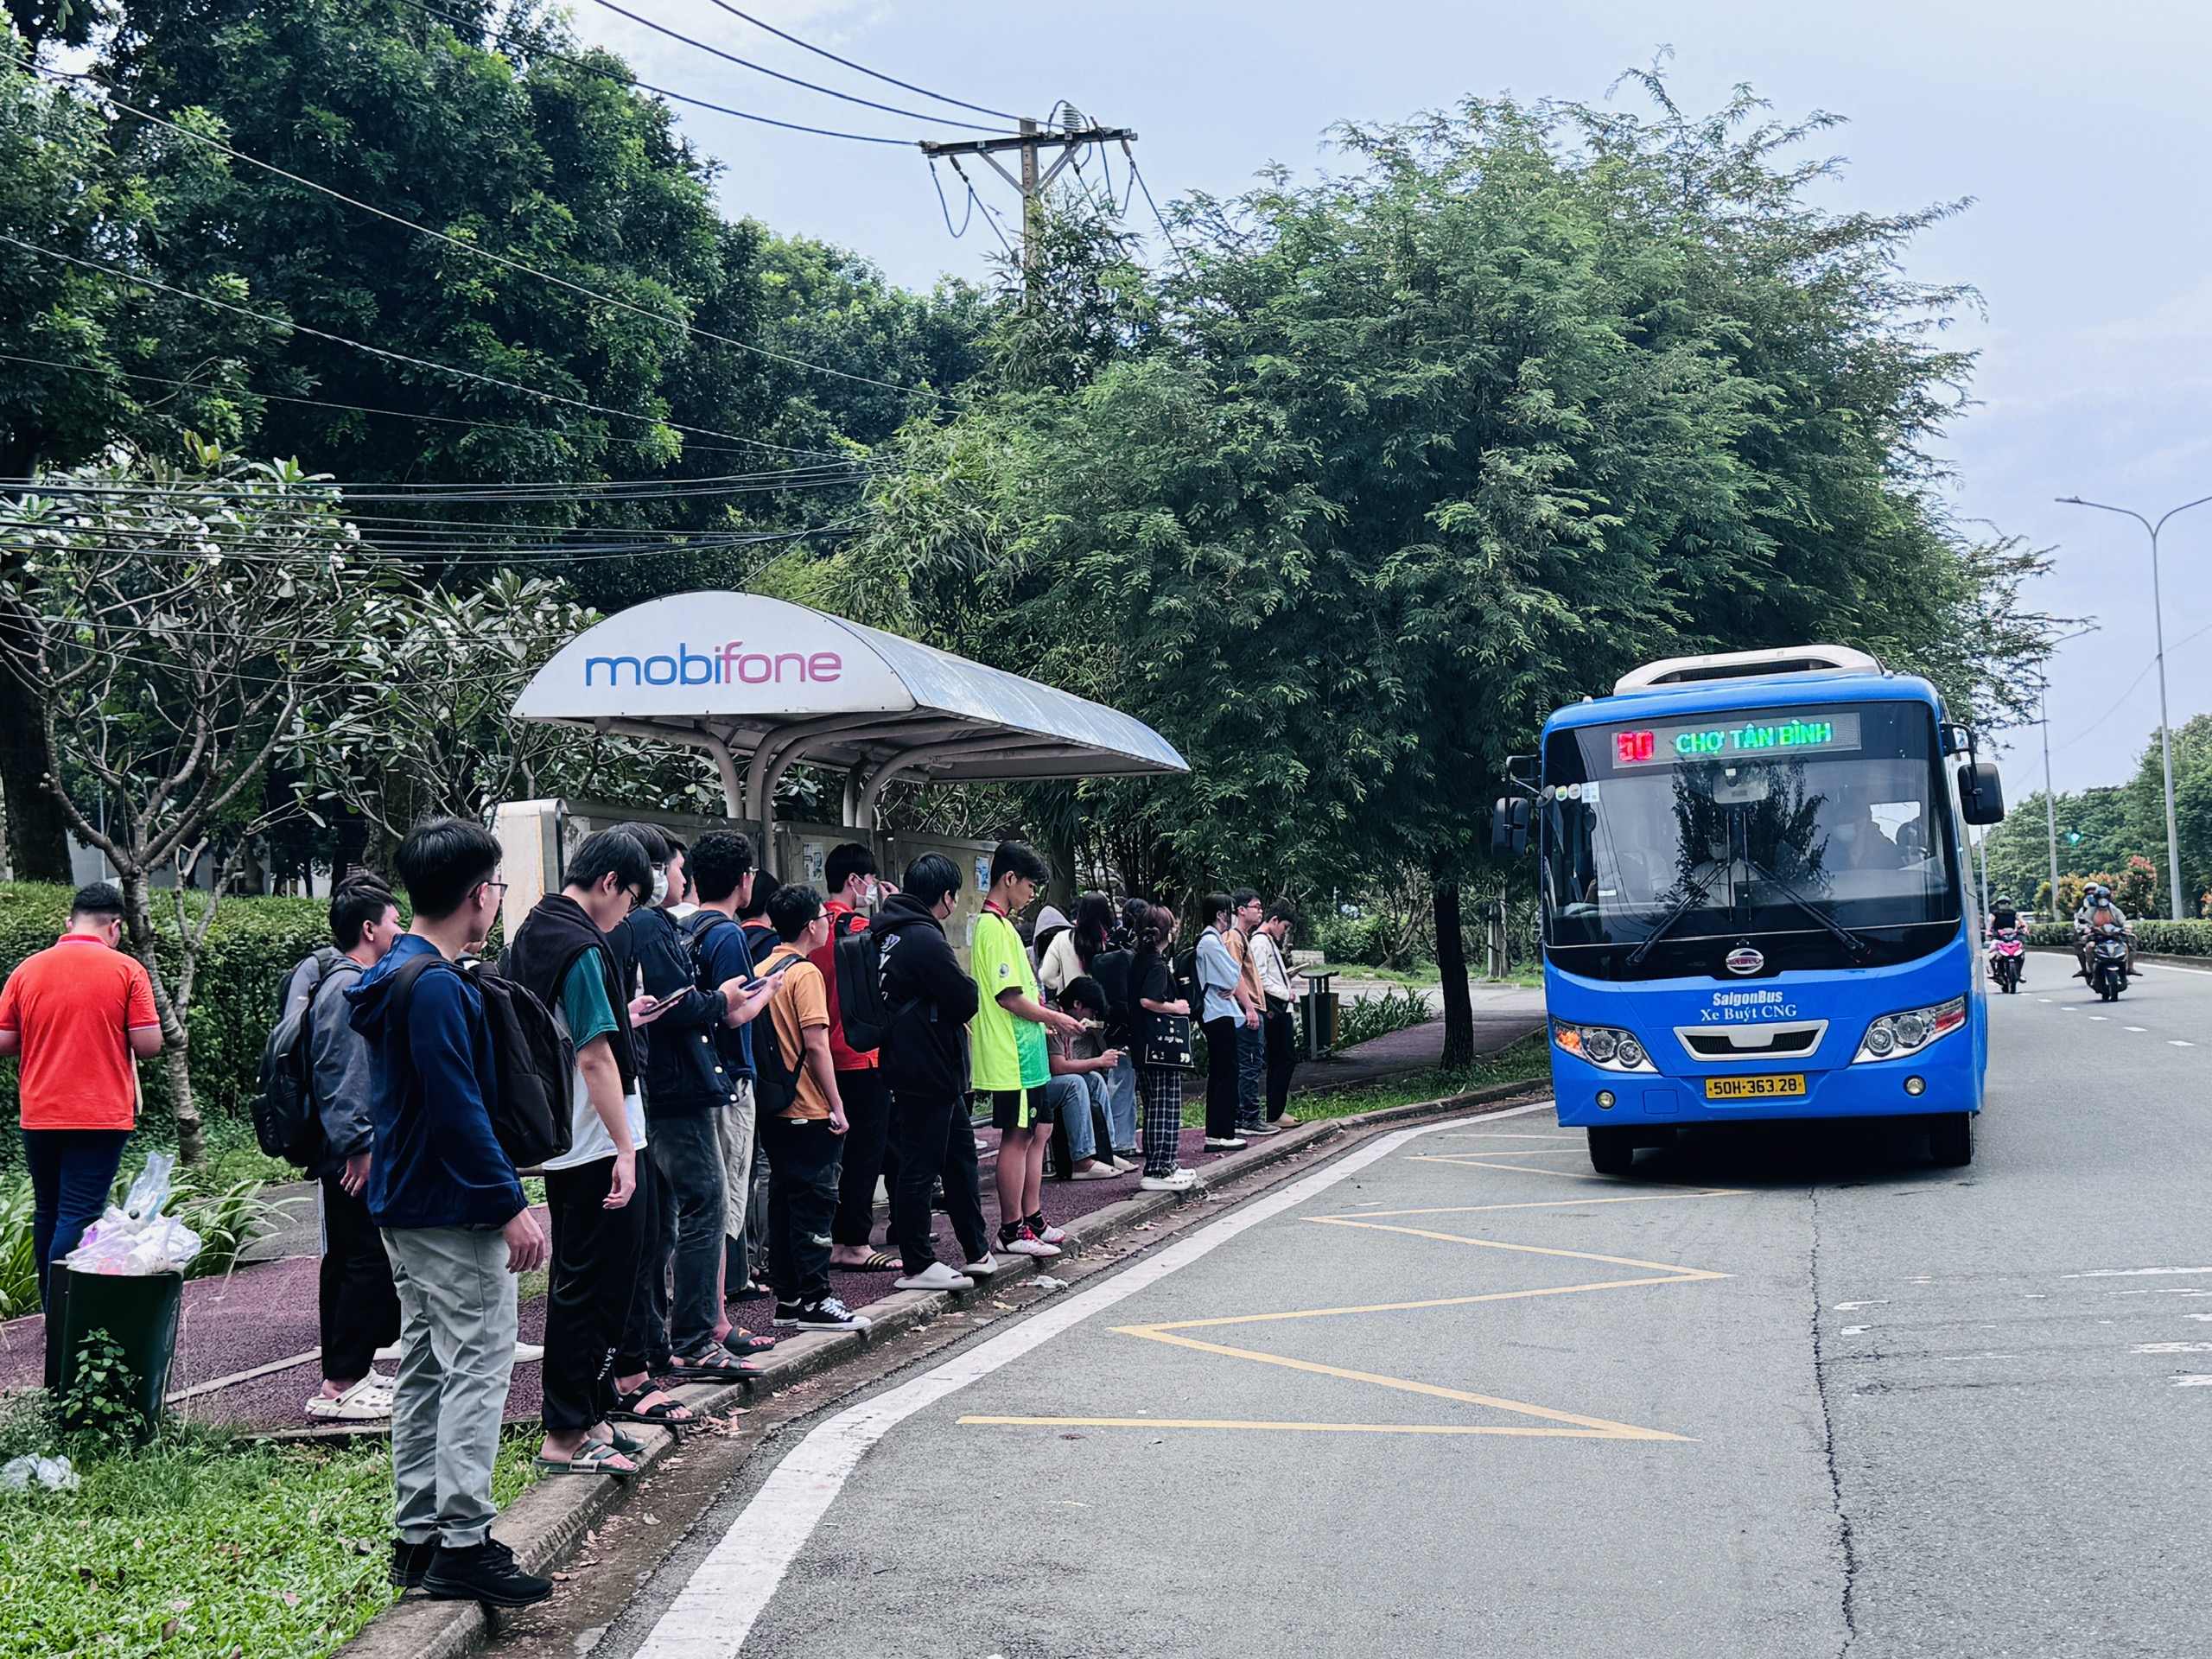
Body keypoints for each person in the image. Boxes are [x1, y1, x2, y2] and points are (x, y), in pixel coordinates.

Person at [346, 818, 552, 1606]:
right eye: (495, 886)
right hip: (451, 1207)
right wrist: (510, 1205)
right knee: (479, 1361)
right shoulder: (435, 985)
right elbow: (456, 1107)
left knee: (430, 1367)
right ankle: (464, 1542)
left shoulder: (395, 970)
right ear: (477, 895)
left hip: (406, 1203)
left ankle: (419, 1539)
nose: (496, 899)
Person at [505, 830, 663, 1478]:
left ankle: (592, 1415)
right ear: (609, 883)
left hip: (566, 1140)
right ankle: (566, 1432)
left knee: (587, 1285)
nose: (626, 915)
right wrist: (625, 1148)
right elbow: (594, 1055)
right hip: (597, 1141)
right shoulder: (582, 946)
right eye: (631, 900)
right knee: (593, 1290)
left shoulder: (537, 928)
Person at [620, 830, 779, 1395]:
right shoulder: (649, 924)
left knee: (663, 1221)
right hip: (680, 1086)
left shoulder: (640, 925)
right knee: (706, 1204)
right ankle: (694, 1336)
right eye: (674, 867)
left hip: (655, 1087)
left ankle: (658, 1341)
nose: (681, 878)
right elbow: (677, 1001)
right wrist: (729, 999)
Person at [0, 880, 162, 1385]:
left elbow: (4, 1040)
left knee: (48, 1210)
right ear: (115, 927)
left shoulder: (28, 969)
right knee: (78, 1213)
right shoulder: (126, 970)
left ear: (69, 923)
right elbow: (149, 1044)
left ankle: (55, 1309)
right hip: (98, 1113)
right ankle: (67, 1318)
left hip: (40, 1111)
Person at [296, 876, 406, 1421]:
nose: (399, 930)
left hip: (342, 1144)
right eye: (393, 922)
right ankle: (342, 1382)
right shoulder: (348, 986)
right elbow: (344, 1073)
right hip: (352, 1149)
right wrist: (359, 1145)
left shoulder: (336, 979)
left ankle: (349, 1372)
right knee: (362, 1258)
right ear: (369, 929)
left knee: (348, 1256)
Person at [753, 885, 869, 1331]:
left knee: (783, 1201)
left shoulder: (763, 967)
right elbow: (816, 1044)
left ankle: (788, 1298)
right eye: (823, 917)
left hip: (774, 1104)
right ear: (809, 926)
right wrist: (837, 1104)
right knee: (815, 1203)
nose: (827, 923)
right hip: (808, 1105)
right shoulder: (805, 974)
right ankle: (817, 1298)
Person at [876, 855, 995, 1292]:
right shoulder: (922, 936)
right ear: (945, 896)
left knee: (959, 1157)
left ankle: (976, 1249)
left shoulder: (888, 933)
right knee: (921, 1164)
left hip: (918, 1062)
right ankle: (917, 1262)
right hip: (928, 1063)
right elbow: (964, 998)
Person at [974, 843, 1086, 1258]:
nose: (1032, 894)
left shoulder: (1004, 926)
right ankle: (1011, 1228)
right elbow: (1009, 997)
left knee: (1038, 1131)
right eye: (1030, 885)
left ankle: (1032, 1218)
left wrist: (1047, 1020)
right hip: (1013, 1054)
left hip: (1028, 1050)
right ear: (1009, 879)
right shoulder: (992, 927)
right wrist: (1054, 1018)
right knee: (1018, 1136)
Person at [681, 834, 772, 1325]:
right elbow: (734, 1012)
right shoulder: (728, 935)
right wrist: (768, 990)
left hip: (694, 1077)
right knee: (724, 1199)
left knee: (698, 1201)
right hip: (730, 1078)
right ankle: (715, 1317)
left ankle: (704, 1311)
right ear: (744, 880)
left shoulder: (685, 928)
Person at [817, 843, 894, 1272]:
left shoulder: (812, 928)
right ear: (855, 880)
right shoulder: (862, 927)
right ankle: (855, 1241)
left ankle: (829, 1236)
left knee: (832, 1155)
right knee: (865, 1153)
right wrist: (895, 906)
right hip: (862, 1055)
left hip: (821, 1058)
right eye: (869, 880)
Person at [1129, 906, 1198, 1192]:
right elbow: (1148, 1000)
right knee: (1165, 1105)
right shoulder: (1156, 963)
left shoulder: (1140, 958)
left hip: (1143, 1043)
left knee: (1154, 1104)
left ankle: (1164, 1164)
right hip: (1159, 1044)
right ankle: (1159, 1167)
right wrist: (1177, 1007)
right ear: (1166, 933)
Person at [1087, 898, 1149, 1167]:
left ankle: (1123, 1139)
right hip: (1133, 1025)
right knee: (1124, 1083)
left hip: (1114, 1025)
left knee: (1121, 1080)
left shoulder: (1111, 946)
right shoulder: (1134, 951)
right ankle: (1119, 1141)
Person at [1045, 976, 1127, 1179]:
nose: (1090, 1017)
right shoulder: (1054, 1017)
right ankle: (1081, 1160)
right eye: (1091, 1012)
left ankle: (1106, 1150)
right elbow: (1058, 1067)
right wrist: (1099, 1061)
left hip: (1047, 1079)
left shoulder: (1064, 1016)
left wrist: (1097, 1063)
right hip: (1037, 1083)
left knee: (1094, 1080)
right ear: (1077, 1004)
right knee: (1075, 1083)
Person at [1195, 894, 1249, 1153]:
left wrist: (1230, 983)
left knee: (1221, 1072)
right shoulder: (1210, 943)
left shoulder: (1209, 940)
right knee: (1227, 1072)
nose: (1234, 917)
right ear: (1221, 915)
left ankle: (1218, 1132)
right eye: (1231, 912)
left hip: (1215, 1011)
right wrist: (1230, 983)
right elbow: (1232, 975)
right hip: (1217, 1012)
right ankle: (1221, 1133)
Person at [1250, 901, 1302, 1131]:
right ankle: (1275, 1111)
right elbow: (1260, 978)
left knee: (1281, 1059)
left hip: (1280, 1007)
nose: (1284, 932)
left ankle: (1276, 1110)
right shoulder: (1260, 943)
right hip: (1275, 1008)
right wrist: (1284, 993)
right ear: (1274, 921)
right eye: (1284, 926)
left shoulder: (1267, 941)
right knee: (1284, 1059)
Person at [1226, 888, 1270, 1138]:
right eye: (1256, 906)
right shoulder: (1234, 938)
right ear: (1241, 910)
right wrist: (1250, 1008)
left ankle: (1243, 1115)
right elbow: (1234, 975)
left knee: (1249, 1064)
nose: (1260, 911)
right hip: (1246, 1010)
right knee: (1250, 1065)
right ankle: (1249, 1117)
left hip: (1249, 1008)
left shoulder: (1243, 937)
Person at [1040, 892, 1111, 1000]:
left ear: (1080, 912)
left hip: (1073, 1004)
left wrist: (1061, 986)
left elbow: (1046, 976)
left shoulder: (1062, 938)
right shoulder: (1112, 940)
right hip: (1106, 1003)